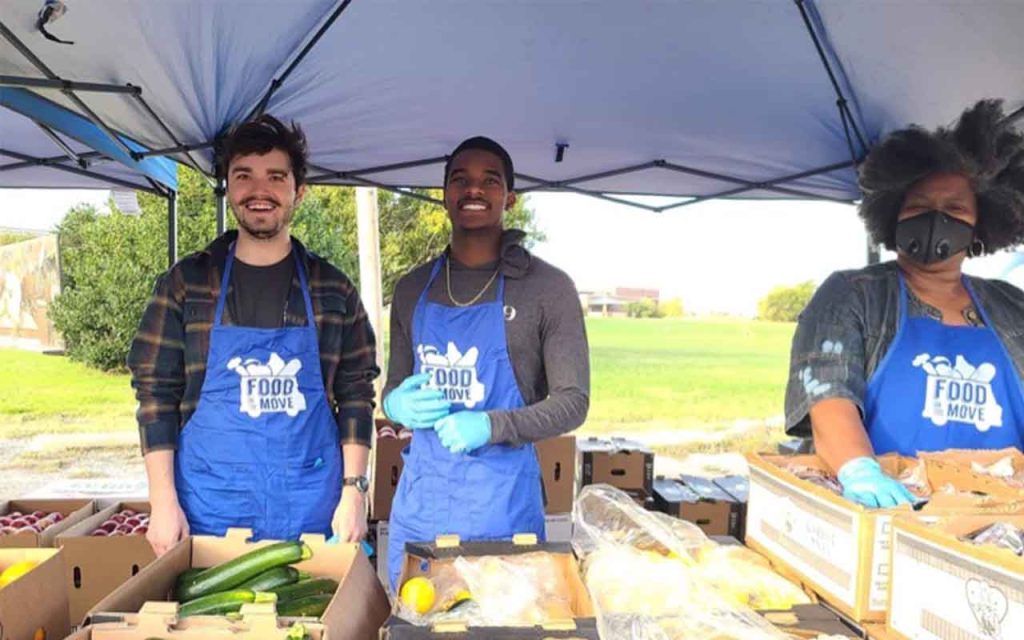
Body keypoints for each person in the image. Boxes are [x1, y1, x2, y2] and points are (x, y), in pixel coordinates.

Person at [128, 115, 379, 555]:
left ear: (298, 191)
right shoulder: (187, 283)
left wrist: (354, 491)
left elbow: (356, 394)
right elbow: (155, 396)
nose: (258, 190)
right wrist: (162, 501)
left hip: (312, 510)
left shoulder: (333, 289)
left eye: (276, 177)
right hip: (209, 508)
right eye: (244, 175)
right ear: (228, 186)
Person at [785, 99, 1024, 509]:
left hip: (1001, 514)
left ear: (980, 224)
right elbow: (828, 395)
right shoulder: (852, 294)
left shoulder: (1012, 306)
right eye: (919, 207)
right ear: (893, 216)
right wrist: (860, 470)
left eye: (954, 209)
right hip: (885, 509)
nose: (936, 219)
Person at [382, 136, 590, 588]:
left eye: (489, 181)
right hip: (422, 506)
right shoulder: (412, 289)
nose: (473, 190)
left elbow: (573, 402)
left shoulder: (547, 288)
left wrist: (492, 426)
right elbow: (392, 387)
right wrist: (397, 405)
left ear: (509, 198)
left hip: (503, 509)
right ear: (444, 195)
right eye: (460, 180)